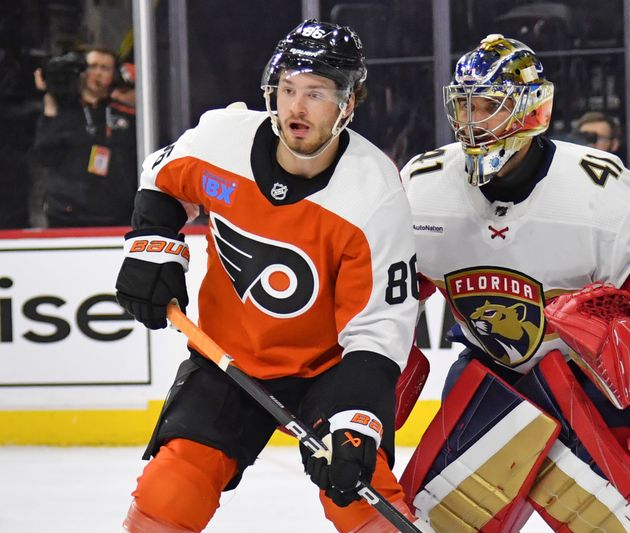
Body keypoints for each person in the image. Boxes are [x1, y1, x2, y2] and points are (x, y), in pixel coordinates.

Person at [400, 35, 630, 531]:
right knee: (436, 517)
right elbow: (391, 287)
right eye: (464, 105)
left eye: (488, 106)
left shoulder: (597, 187)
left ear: (531, 110)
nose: (471, 121)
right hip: (498, 375)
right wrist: (375, 361)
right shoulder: (424, 185)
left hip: (601, 384)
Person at [115, 20, 423, 533]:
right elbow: (162, 176)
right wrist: (154, 247)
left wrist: (355, 424)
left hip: (329, 371)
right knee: (172, 488)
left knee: (361, 497)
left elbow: (377, 328)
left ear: (348, 103)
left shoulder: (373, 194)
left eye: (316, 93)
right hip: (229, 359)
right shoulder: (223, 140)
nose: (296, 108)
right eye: (288, 90)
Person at [29, 45, 137, 227]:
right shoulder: (63, 110)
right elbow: (44, 155)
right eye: (93, 66)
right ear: (82, 72)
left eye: (105, 68)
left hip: (116, 215)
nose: (98, 73)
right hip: (67, 215)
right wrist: (49, 106)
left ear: (114, 75)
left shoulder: (124, 114)